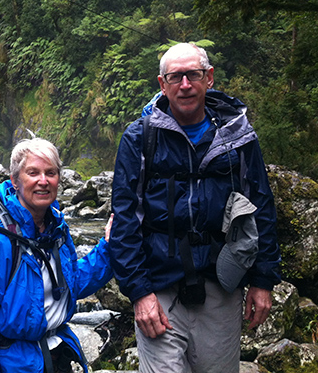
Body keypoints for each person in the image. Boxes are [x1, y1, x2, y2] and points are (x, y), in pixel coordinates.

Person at [109, 43, 281, 373]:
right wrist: (138, 293)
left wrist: (263, 280)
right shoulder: (140, 138)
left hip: (222, 284)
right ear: (162, 84)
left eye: (193, 75)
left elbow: (261, 207)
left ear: (209, 78)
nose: (185, 84)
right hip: (159, 288)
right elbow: (125, 220)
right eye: (175, 77)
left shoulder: (238, 136)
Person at [0, 138, 114, 373]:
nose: (43, 181)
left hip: (58, 354)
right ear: (15, 181)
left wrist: (108, 247)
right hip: (16, 364)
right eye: (33, 173)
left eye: (51, 173)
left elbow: (71, 284)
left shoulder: (56, 228)